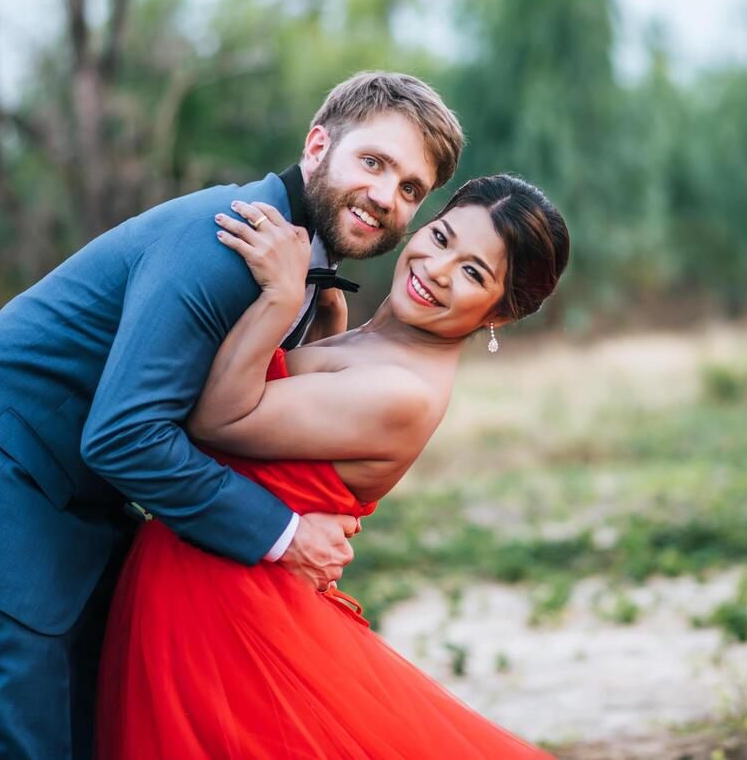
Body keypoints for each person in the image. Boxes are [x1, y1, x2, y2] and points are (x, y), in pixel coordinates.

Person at [0, 71, 464, 758]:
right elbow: (124, 436)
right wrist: (284, 534)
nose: (385, 196)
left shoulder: (293, 272)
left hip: (72, 499)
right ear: (317, 145)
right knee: (11, 746)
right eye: (374, 162)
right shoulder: (229, 241)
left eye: (410, 189)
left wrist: (317, 323)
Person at [95, 174, 570, 758]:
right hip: (213, 592)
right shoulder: (381, 344)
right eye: (442, 238)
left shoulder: (404, 391)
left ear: (501, 313)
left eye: (475, 273)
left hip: (224, 618)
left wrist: (278, 300)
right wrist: (325, 319)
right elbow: (304, 444)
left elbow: (215, 420)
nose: (438, 269)